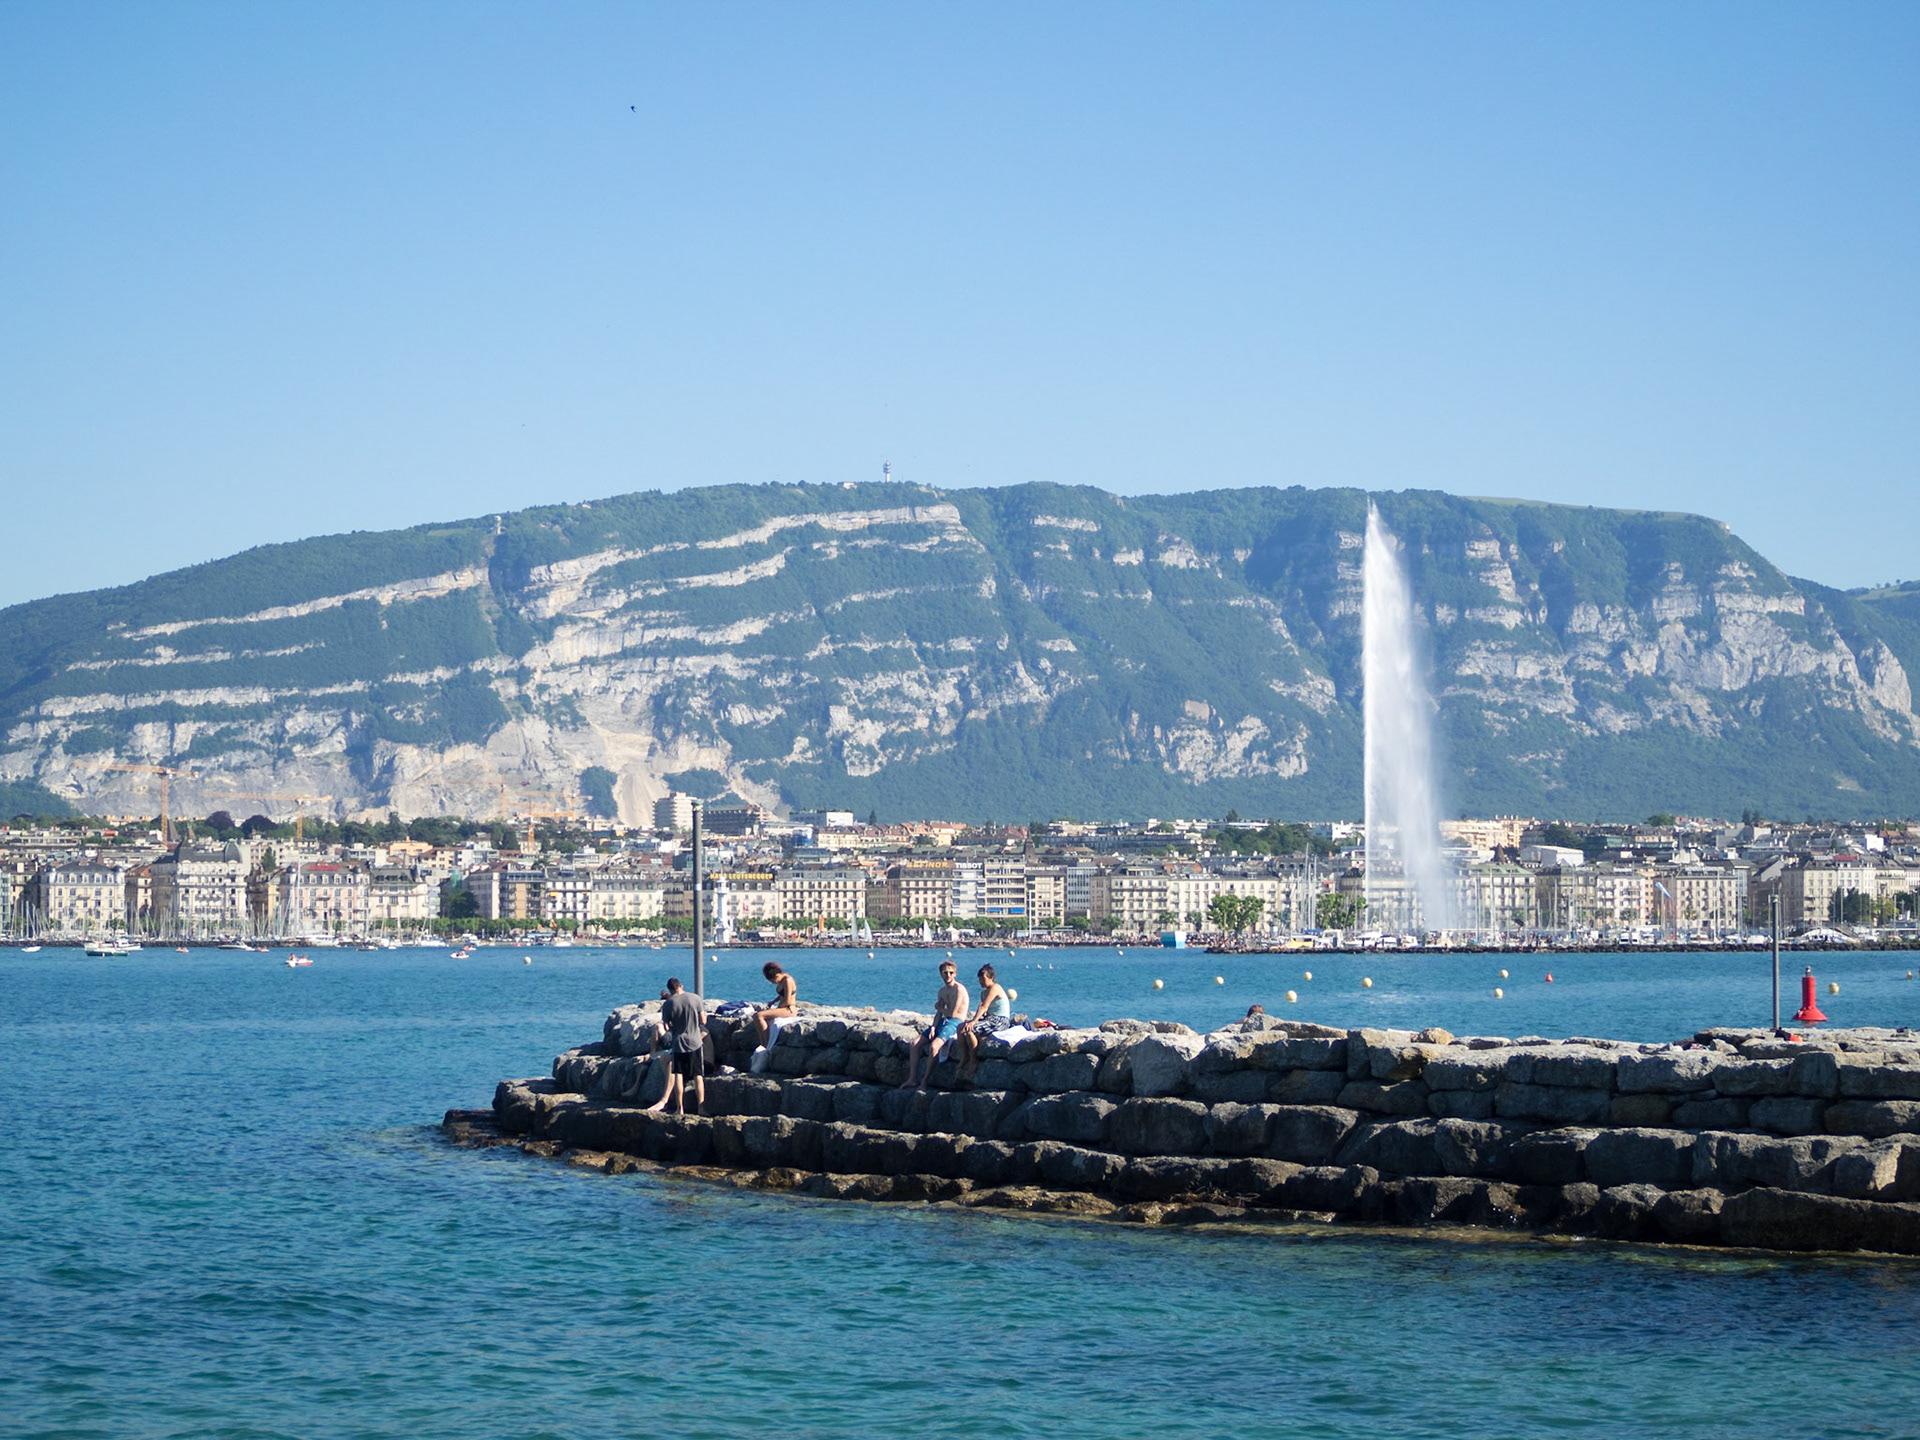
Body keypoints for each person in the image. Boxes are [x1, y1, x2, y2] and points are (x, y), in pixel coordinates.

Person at [901, 960, 970, 1089]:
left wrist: (939, 1008)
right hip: (944, 1021)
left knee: (934, 1047)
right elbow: (939, 1013)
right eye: (945, 973)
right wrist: (933, 1026)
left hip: (956, 1022)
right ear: (941, 974)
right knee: (914, 1044)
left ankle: (925, 1081)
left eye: (951, 973)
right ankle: (912, 1078)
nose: (948, 975)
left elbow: (953, 1013)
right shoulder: (942, 991)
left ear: (955, 974)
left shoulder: (959, 989)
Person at [646, 977, 706, 1116]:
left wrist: (675, 1027)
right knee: (698, 1076)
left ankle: (680, 1109)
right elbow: (703, 1020)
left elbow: (666, 1026)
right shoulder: (695, 998)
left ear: (670, 989)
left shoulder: (668, 1004)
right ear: (681, 985)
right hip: (695, 1042)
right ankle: (701, 1108)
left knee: (678, 1074)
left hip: (679, 1043)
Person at [955, 962, 1012, 1084]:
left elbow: (984, 1007)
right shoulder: (983, 993)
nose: (981, 982)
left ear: (991, 978)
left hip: (1000, 1020)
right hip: (990, 1019)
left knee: (970, 1029)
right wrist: (974, 1020)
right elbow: (984, 1011)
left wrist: (974, 1021)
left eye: (983, 979)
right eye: (980, 979)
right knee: (960, 1027)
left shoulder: (995, 987)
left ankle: (973, 1059)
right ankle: (964, 1056)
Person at [752, 961, 798, 1045]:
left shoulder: (787, 980)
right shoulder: (782, 980)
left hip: (789, 1009)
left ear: (777, 975)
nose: (773, 983)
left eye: (773, 981)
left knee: (759, 1016)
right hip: (783, 1008)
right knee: (755, 1016)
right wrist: (773, 1001)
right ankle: (762, 1043)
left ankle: (766, 1044)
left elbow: (787, 1000)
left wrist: (777, 1009)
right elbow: (782, 995)